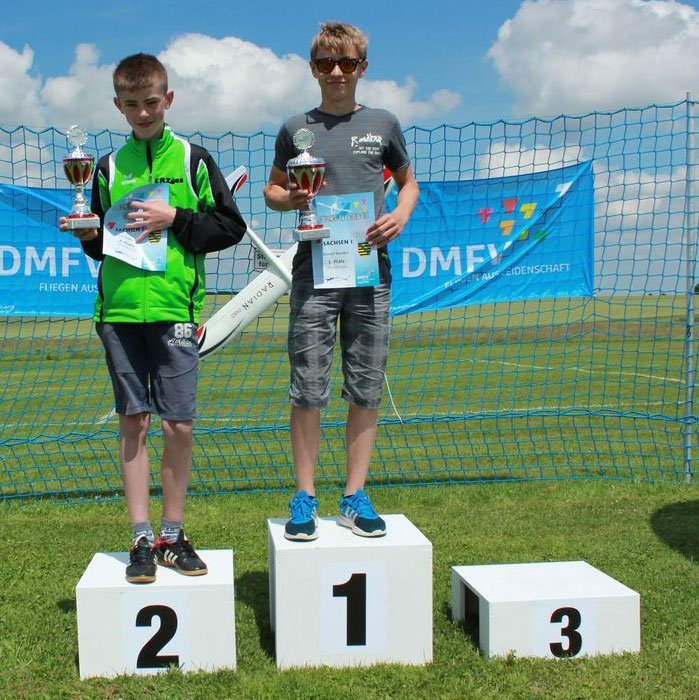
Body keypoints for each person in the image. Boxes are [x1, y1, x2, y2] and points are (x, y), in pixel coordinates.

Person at [60, 53, 247, 582]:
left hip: (175, 311)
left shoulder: (193, 159)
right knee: (133, 422)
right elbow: (101, 244)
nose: (143, 113)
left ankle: (172, 533)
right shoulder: (104, 167)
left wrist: (176, 217)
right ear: (117, 106)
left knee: (178, 424)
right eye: (132, 104)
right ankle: (141, 537)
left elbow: (229, 226)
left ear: (168, 100)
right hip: (119, 312)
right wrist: (88, 233)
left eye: (151, 103)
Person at [264, 22, 419, 541]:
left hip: (369, 269)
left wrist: (400, 215)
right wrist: (293, 198)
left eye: (347, 63)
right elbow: (272, 190)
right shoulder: (294, 129)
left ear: (362, 68)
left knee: (366, 386)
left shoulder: (383, 123)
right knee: (308, 387)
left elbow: (408, 184)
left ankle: (354, 496)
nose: (336, 72)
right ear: (313, 69)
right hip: (315, 270)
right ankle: (304, 498)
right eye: (326, 63)